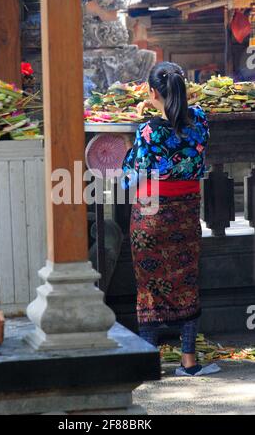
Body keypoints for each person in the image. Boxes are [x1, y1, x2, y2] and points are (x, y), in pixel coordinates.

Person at [122, 62, 220, 377]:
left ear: (152, 93)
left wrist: (128, 150)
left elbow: (131, 177)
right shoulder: (201, 121)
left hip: (150, 215)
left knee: (148, 286)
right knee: (187, 281)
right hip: (186, 212)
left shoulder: (148, 130)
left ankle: (148, 363)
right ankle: (189, 363)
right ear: (183, 88)